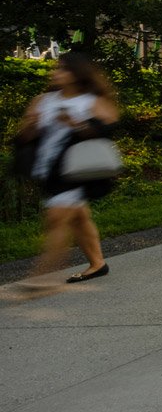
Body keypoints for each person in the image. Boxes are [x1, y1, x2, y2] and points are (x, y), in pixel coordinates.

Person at [5, 51, 121, 296]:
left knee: (57, 218)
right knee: (78, 216)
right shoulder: (43, 100)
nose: (55, 73)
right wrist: (32, 125)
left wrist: (77, 124)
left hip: (76, 171)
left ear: (77, 74)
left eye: (62, 69)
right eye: (56, 68)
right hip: (47, 169)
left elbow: (108, 131)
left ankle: (44, 278)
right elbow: (23, 138)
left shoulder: (92, 102)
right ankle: (98, 263)